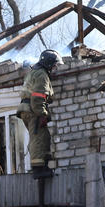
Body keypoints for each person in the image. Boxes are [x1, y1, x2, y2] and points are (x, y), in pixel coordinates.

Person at [17, 49, 62, 179]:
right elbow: (38, 96)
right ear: (48, 63)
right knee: (39, 137)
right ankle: (38, 170)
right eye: (54, 65)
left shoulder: (33, 72)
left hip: (27, 109)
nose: (54, 68)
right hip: (34, 110)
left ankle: (44, 165)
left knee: (43, 136)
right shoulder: (42, 75)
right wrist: (42, 114)